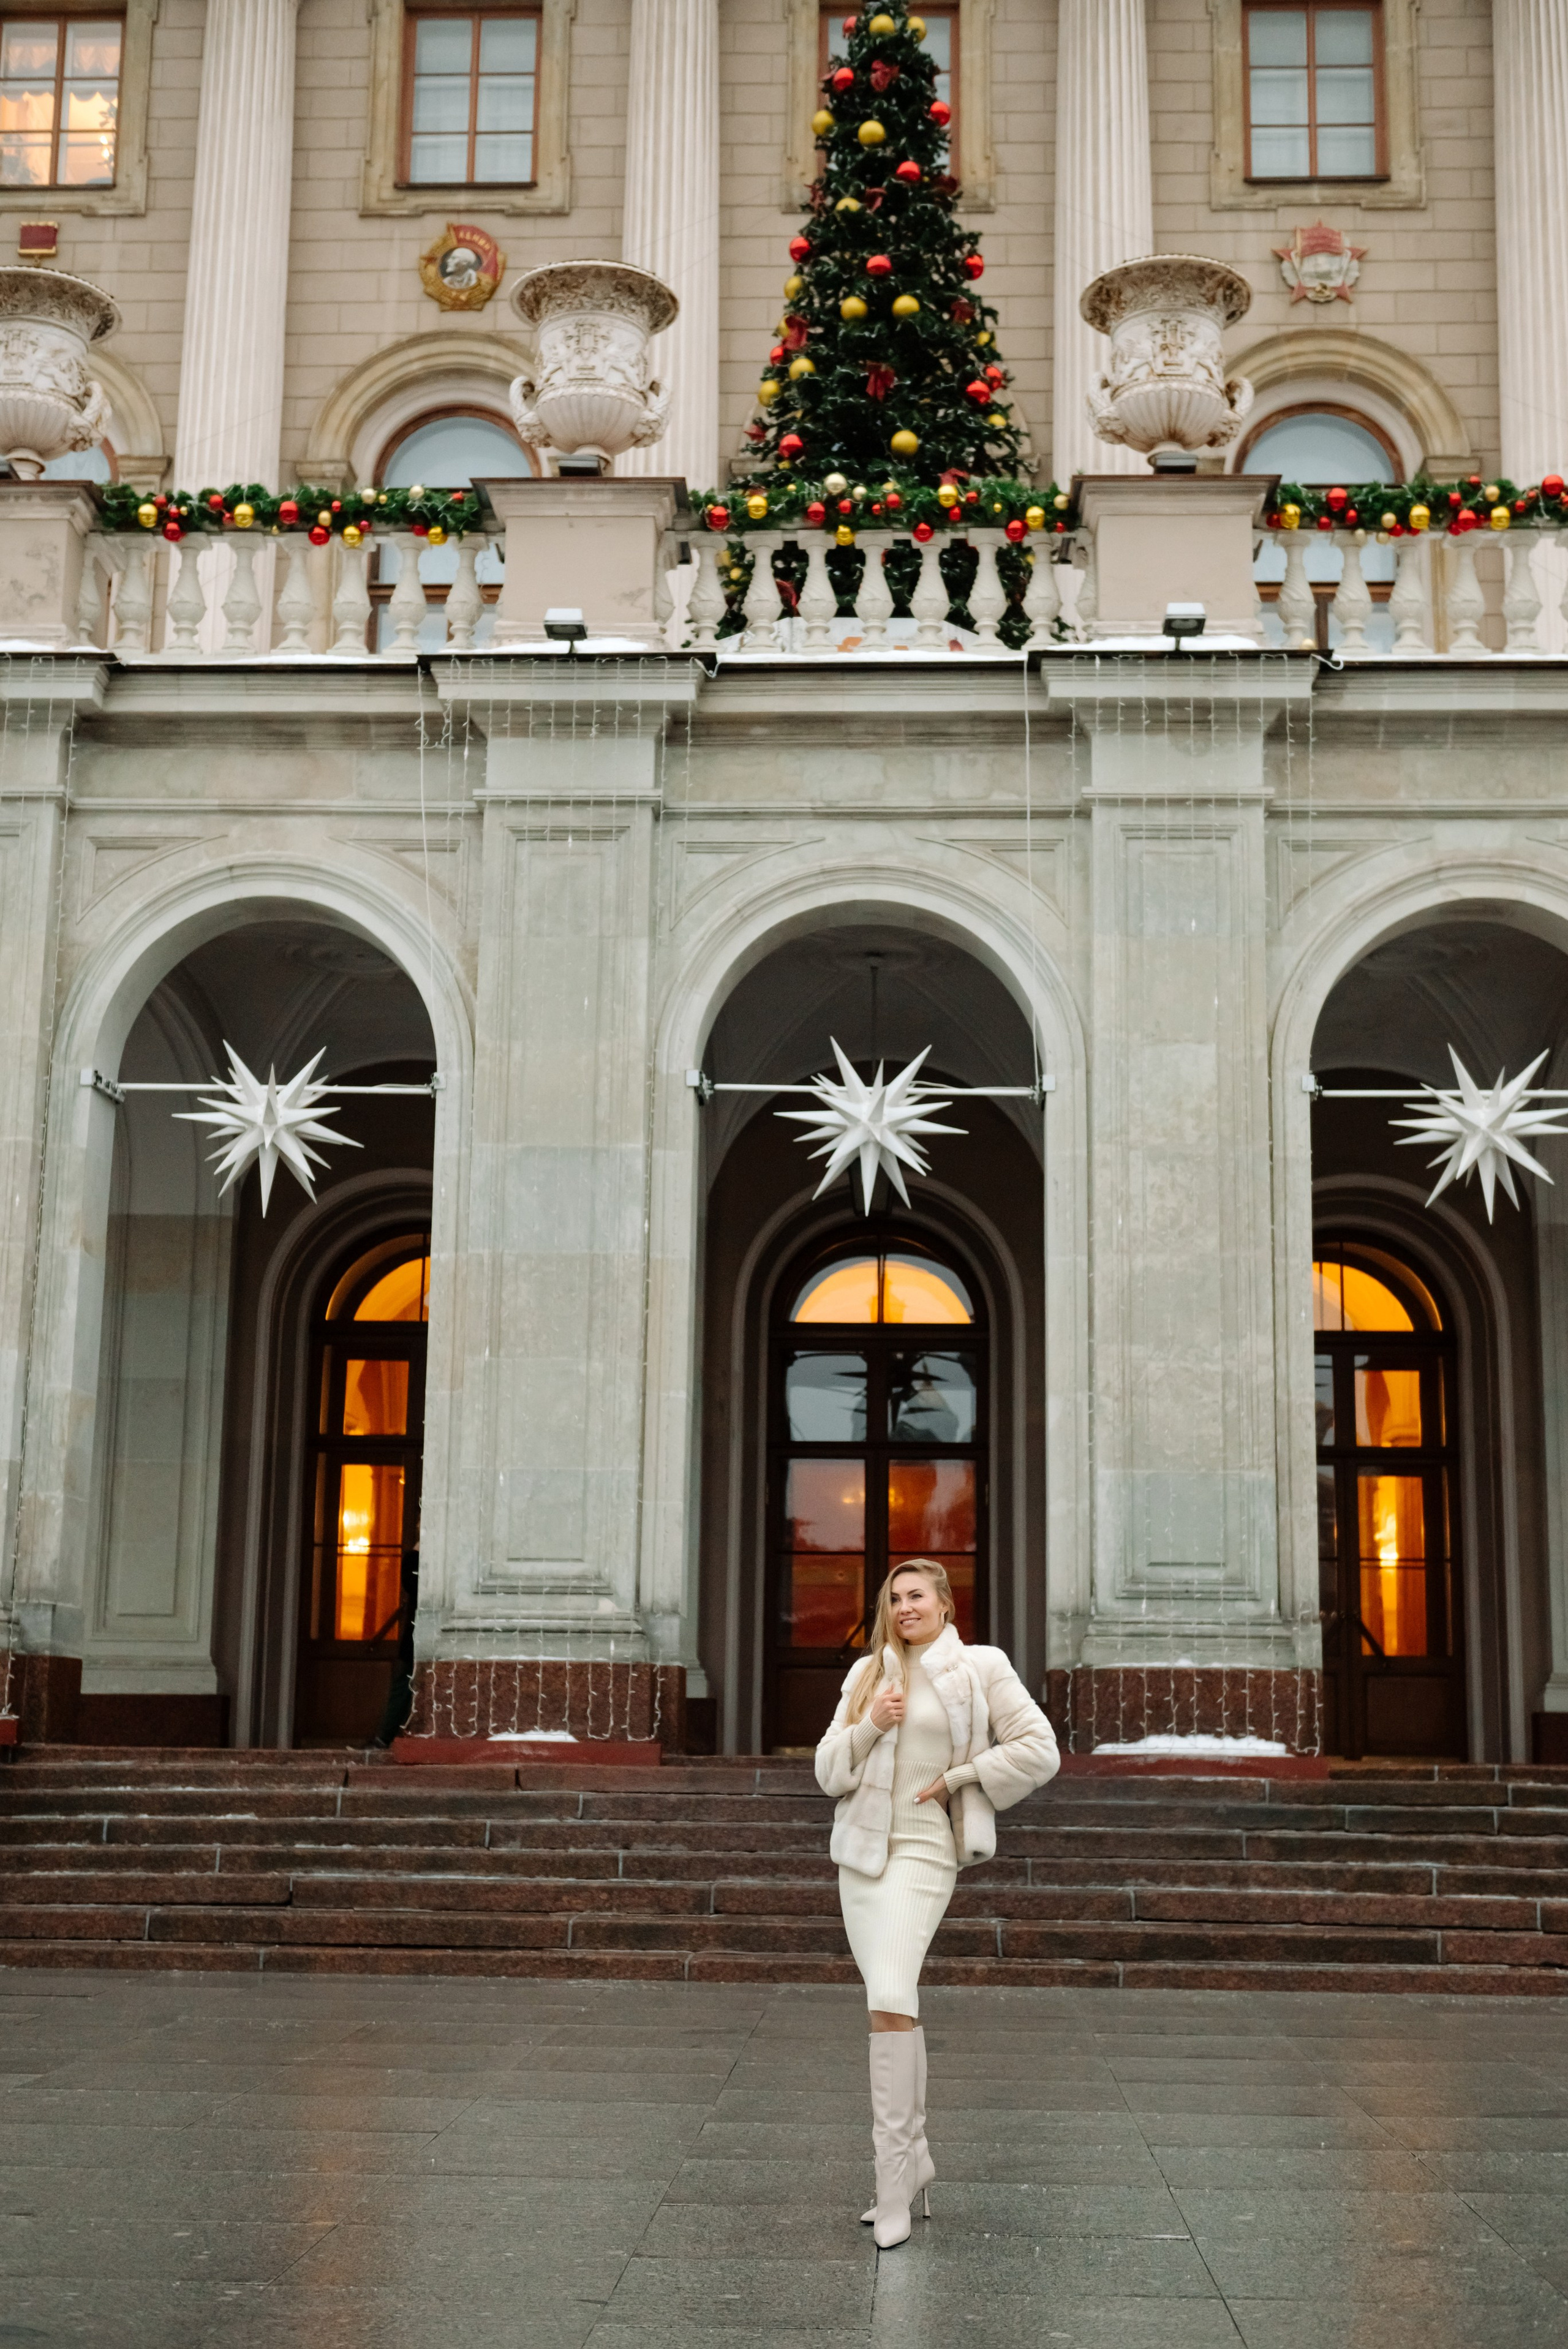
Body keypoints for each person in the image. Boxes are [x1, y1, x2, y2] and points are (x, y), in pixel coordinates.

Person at [815, 1558, 1060, 2247]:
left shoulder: (979, 1666)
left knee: (891, 1990)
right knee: (892, 2004)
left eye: (916, 1596)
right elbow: (828, 1769)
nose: (904, 1608)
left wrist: (961, 1775)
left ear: (946, 1603)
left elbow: (1039, 1749)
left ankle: (892, 2182)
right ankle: (913, 2158)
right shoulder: (867, 1675)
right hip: (861, 1856)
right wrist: (870, 1724)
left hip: (924, 1851)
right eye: (893, 1599)